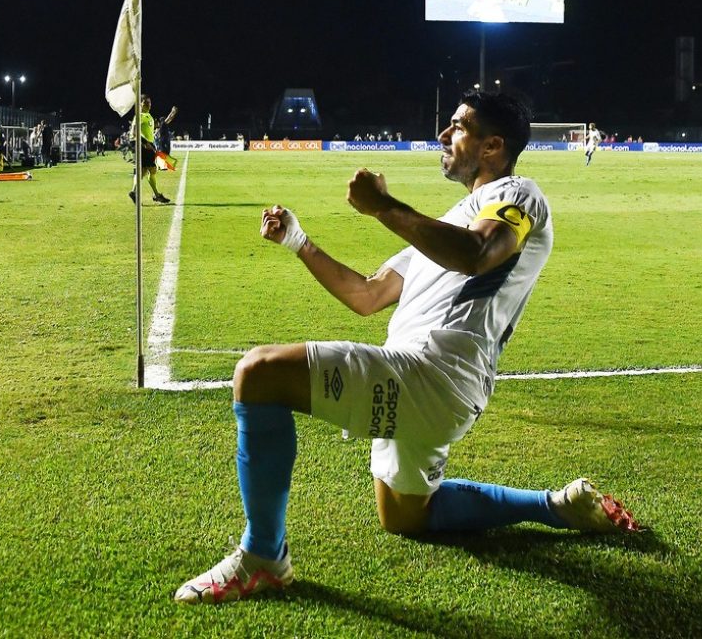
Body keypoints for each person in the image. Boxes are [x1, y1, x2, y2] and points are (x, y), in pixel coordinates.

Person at [172, 91, 640, 605]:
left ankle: (263, 557)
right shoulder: (446, 223)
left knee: (258, 374)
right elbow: (367, 294)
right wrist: (299, 242)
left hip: (434, 372)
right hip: (433, 385)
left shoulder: (518, 194)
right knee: (405, 516)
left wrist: (386, 208)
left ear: (493, 147)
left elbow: (480, 253)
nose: (444, 134)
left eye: (459, 127)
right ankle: (554, 506)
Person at [128, 94, 171, 204]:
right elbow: (133, 133)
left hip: (149, 146)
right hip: (144, 147)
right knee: (150, 170)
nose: (149, 105)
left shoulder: (149, 117)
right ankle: (155, 195)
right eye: (146, 102)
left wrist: (171, 116)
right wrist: (144, 142)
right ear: (140, 103)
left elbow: (158, 128)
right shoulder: (139, 116)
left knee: (146, 171)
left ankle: (138, 192)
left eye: (150, 103)